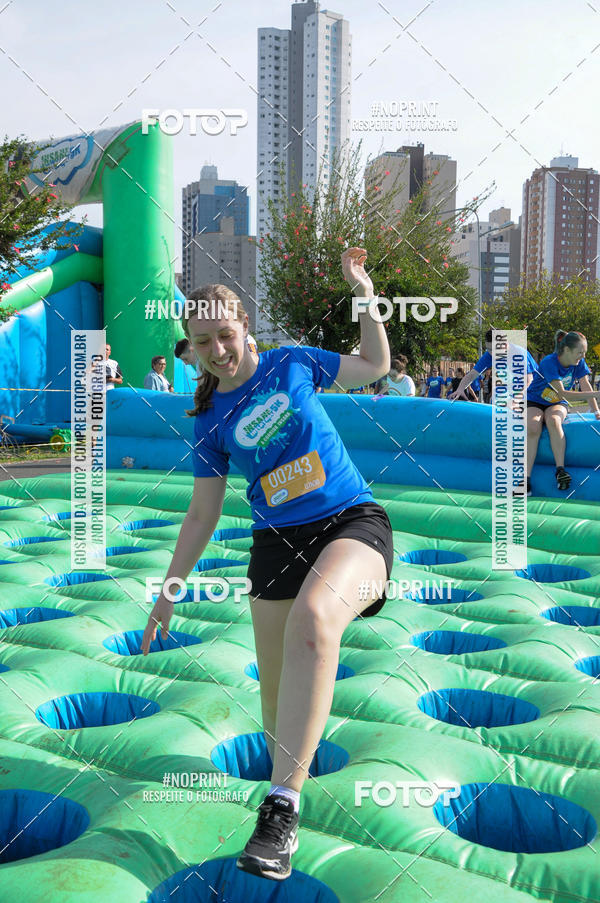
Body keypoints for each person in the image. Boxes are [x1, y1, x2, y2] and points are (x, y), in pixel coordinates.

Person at [140, 250, 395, 882]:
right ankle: (287, 786)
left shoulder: (292, 362)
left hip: (352, 526)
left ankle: (281, 812)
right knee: (278, 711)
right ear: (192, 349)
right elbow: (201, 514)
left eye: (225, 334)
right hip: (277, 547)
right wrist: (169, 590)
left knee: (315, 617)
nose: (219, 350)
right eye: (204, 342)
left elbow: (376, 364)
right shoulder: (206, 416)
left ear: (245, 326)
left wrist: (363, 292)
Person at [526, 330, 600, 494]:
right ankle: (526, 480)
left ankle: (560, 471)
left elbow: (585, 385)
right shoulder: (549, 362)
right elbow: (564, 393)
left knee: (553, 420)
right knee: (533, 426)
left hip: (556, 403)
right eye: (580, 352)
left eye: (584, 352)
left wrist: (596, 411)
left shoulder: (579, 363)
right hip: (535, 400)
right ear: (566, 349)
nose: (583, 356)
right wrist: (597, 394)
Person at [448, 329, 537, 400]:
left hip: (535, 387)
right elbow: (472, 375)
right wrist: (460, 389)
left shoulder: (519, 353)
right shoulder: (489, 354)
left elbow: (529, 381)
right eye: (489, 349)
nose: (491, 353)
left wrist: (515, 400)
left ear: (505, 345)